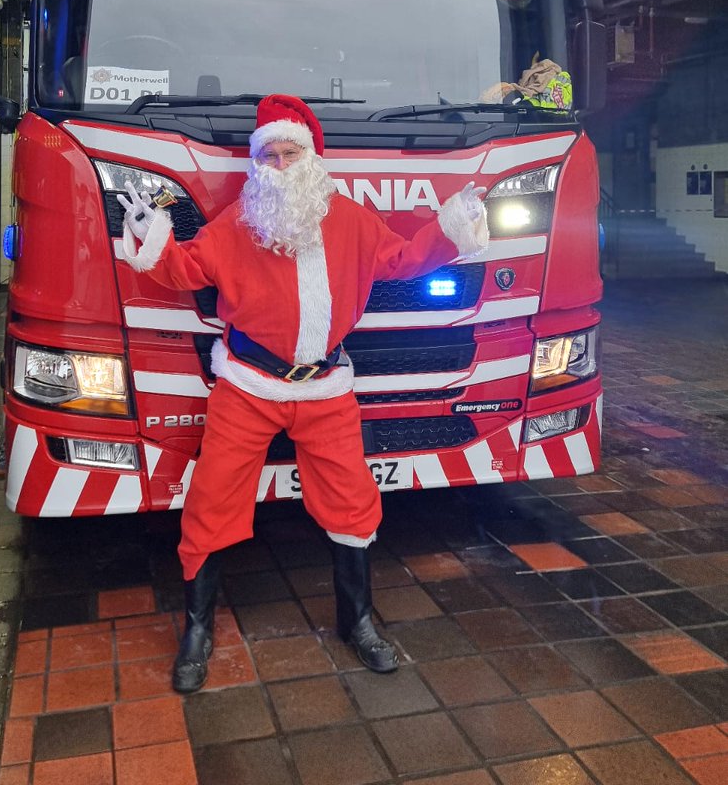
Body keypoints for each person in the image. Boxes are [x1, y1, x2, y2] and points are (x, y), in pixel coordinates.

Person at [118, 94, 488, 692]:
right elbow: (185, 269)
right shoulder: (236, 225)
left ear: (312, 158)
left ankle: (359, 622)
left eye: (291, 151)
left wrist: (450, 231)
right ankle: (197, 629)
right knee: (211, 499)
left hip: (326, 388)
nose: (281, 163)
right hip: (247, 387)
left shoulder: (351, 219)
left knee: (352, 499)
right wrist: (151, 239)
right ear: (256, 164)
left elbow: (402, 258)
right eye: (269, 154)